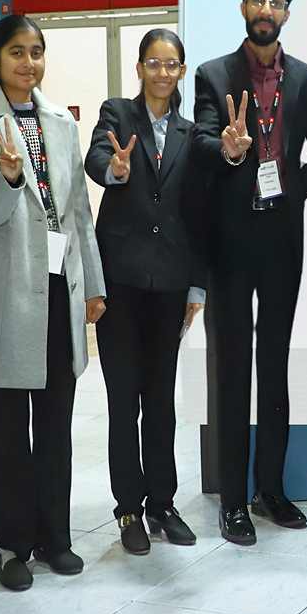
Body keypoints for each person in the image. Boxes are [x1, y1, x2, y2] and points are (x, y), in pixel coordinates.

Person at [0, 14, 105, 591]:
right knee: (7, 429)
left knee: (54, 423)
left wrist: (94, 283)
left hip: (58, 290)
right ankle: (11, 545)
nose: (28, 62)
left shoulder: (61, 123)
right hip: (7, 295)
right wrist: (12, 179)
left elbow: (78, 211)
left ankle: (54, 537)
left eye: (36, 52)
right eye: (16, 52)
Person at [191, 0, 307, 546]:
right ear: (243, 9)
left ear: (286, 12)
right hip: (229, 242)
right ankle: (233, 501)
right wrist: (228, 149)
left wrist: (291, 191)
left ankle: (271, 488)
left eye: (274, 1)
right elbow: (200, 141)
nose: (265, 9)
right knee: (231, 368)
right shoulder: (214, 74)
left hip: (281, 240)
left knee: (273, 366)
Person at [84, 28, 207, 554]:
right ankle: (128, 508)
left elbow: (199, 212)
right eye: (153, 63)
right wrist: (114, 170)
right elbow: (95, 159)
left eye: (171, 64)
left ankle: (163, 503)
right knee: (123, 400)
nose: (162, 72)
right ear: (139, 68)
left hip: (171, 285)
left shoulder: (190, 132)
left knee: (160, 401)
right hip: (121, 283)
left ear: (182, 71)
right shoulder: (117, 114)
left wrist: (197, 284)